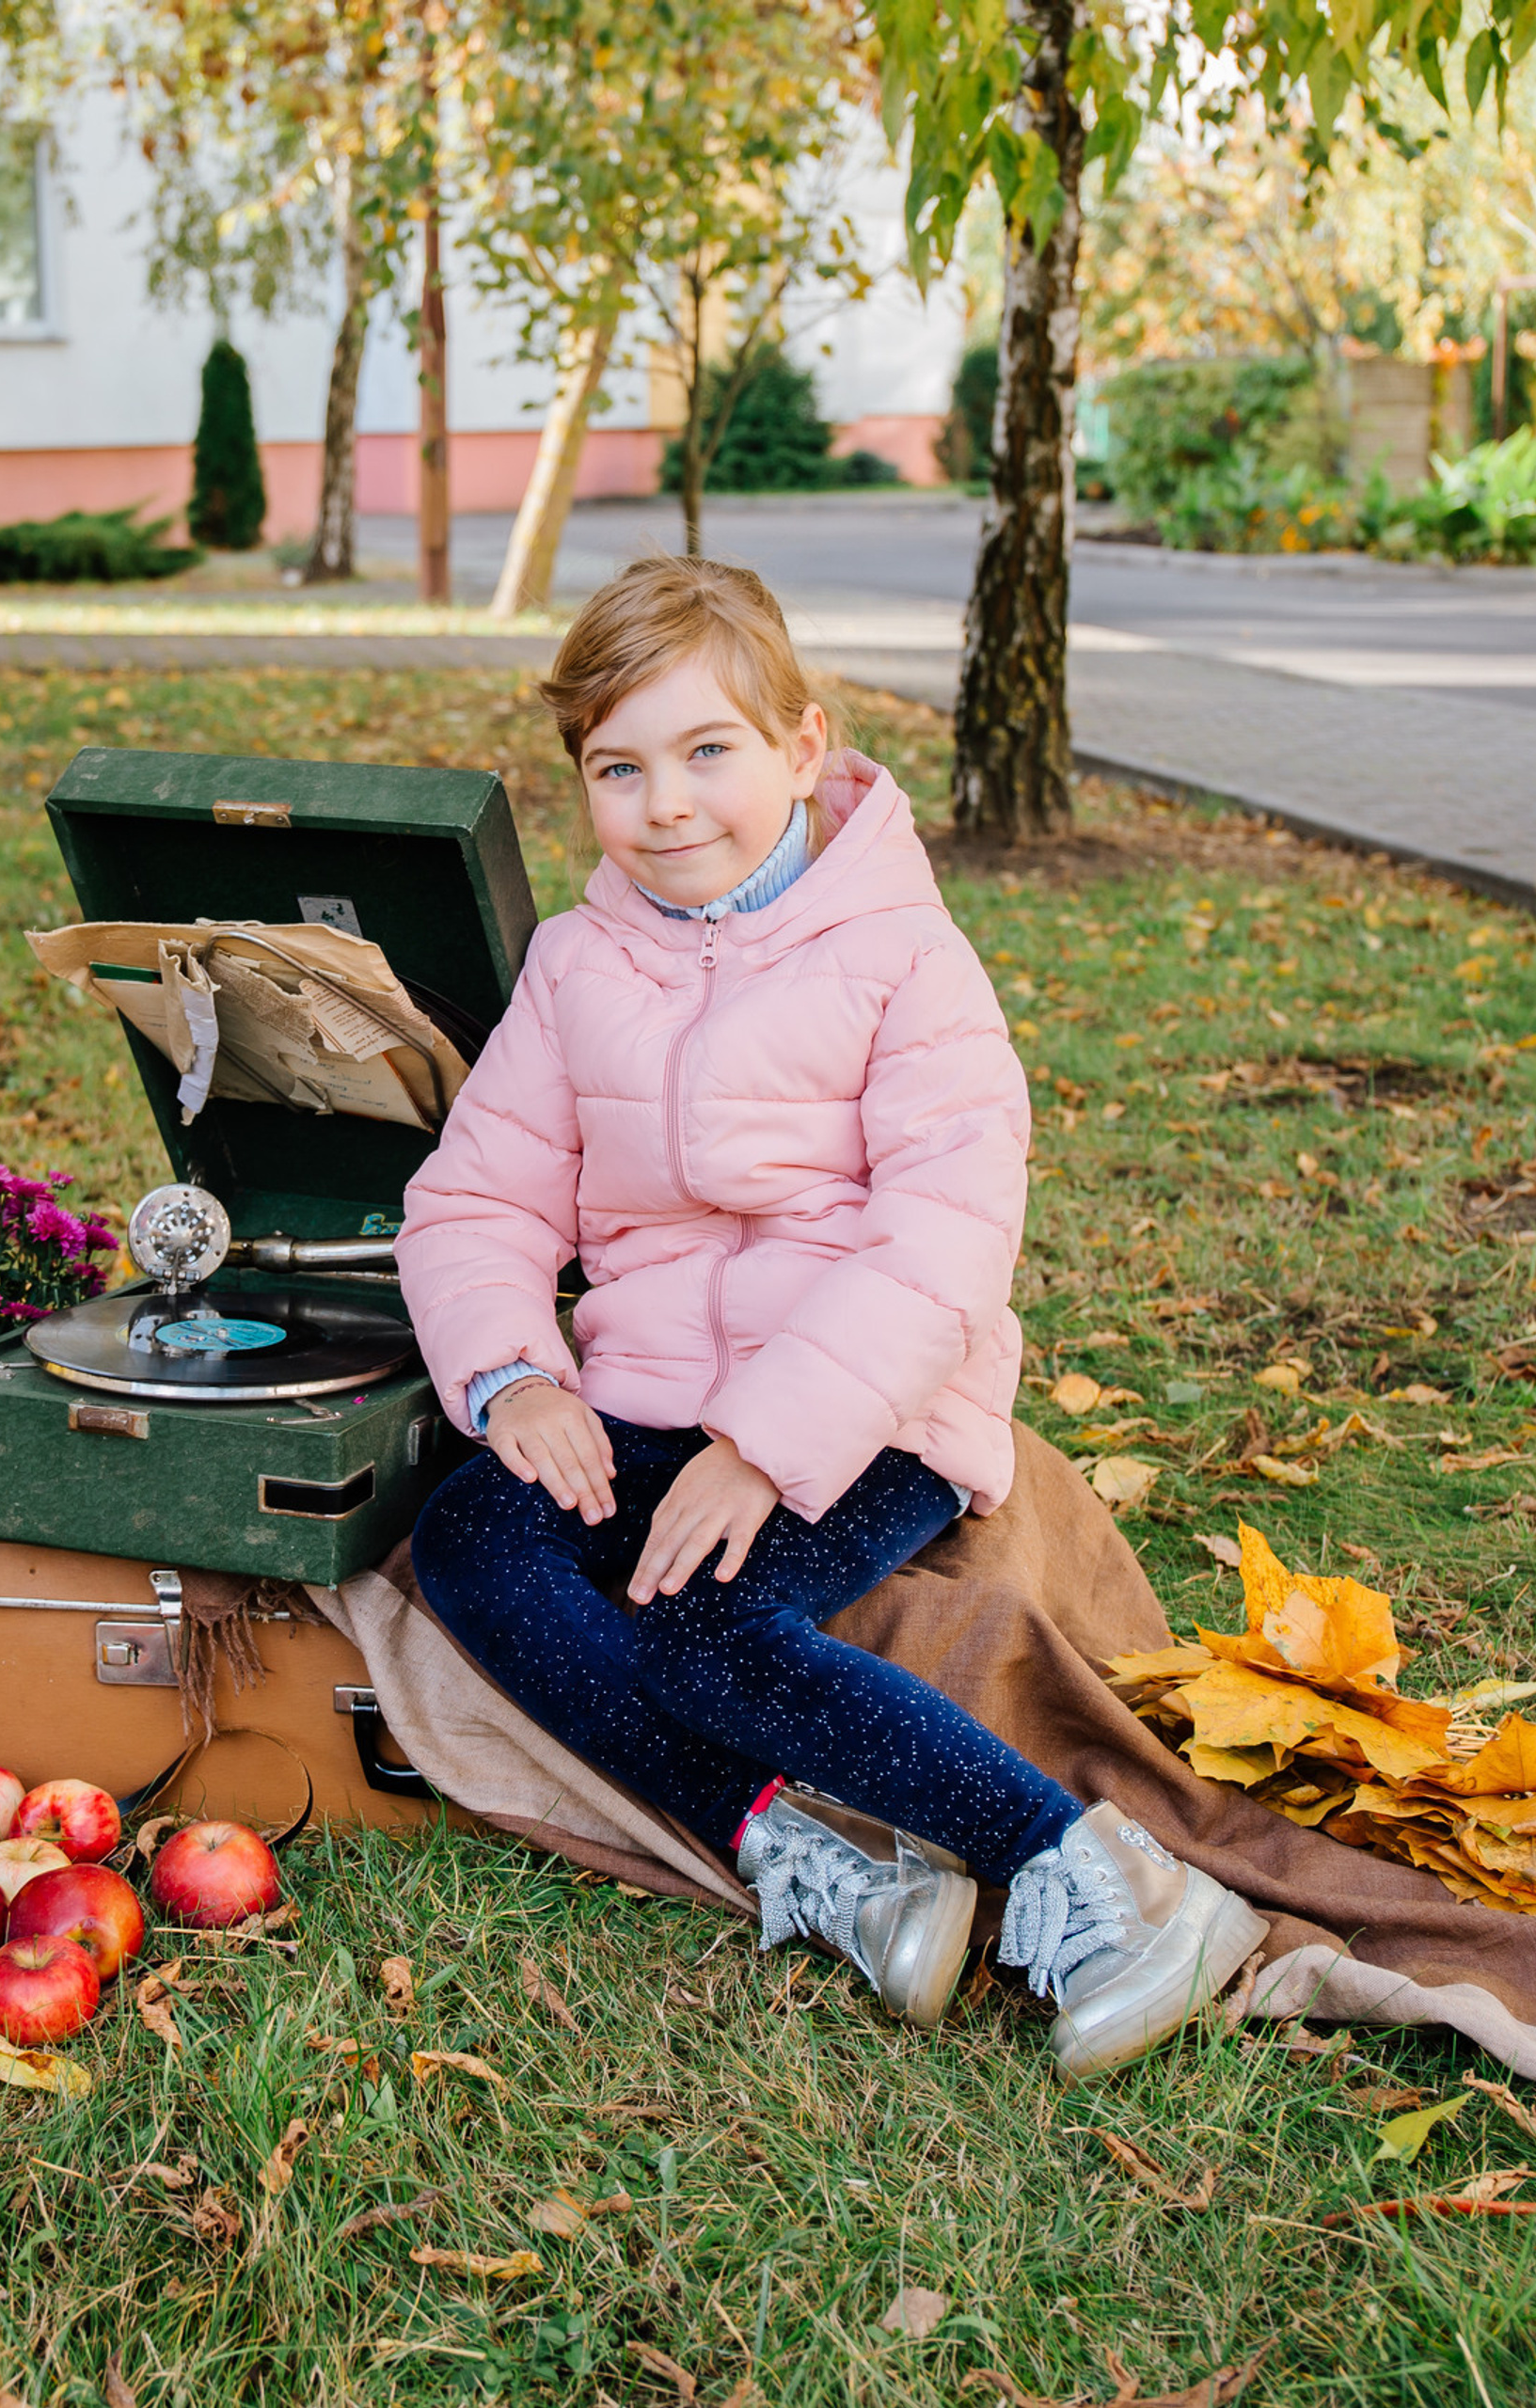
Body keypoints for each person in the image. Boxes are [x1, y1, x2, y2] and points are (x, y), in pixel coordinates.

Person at [397, 556, 1264, 2076]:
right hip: (648, 1393)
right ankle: (831, 1870)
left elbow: (942, 1246)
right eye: (619, 767)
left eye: (707, 751)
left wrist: (763, 1445)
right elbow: (480, 1200)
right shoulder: (577, 961)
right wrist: (520, 1375)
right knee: (473, 1536)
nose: (667, 805)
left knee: (708, 1629)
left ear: (804, 746)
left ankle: (1108, 1886)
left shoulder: (908, 960)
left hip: (875, 1404)